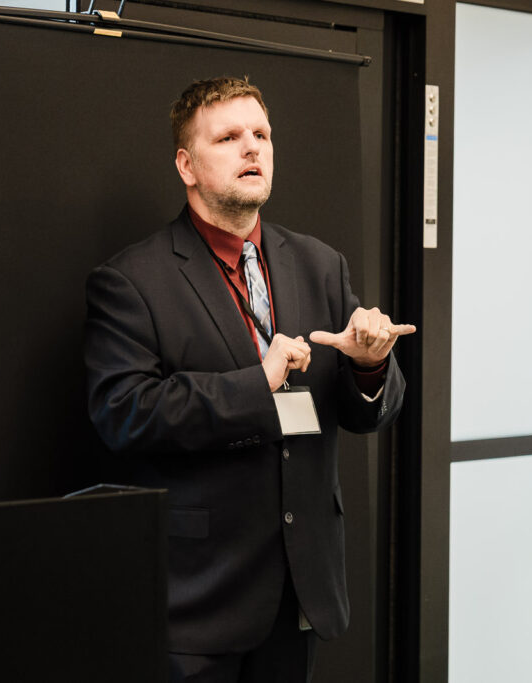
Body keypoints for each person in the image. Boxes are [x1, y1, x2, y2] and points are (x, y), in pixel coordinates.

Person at [84, 76, 414, 683]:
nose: (252, 148)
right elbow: (122, 413)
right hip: (198, 598)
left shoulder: (320, 264)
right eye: (230, 137)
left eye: (261, 134)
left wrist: (370, 364)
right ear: (186, 164)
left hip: (301, 591)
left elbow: (369, 412)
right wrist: (253, 384)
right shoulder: (133, 280)